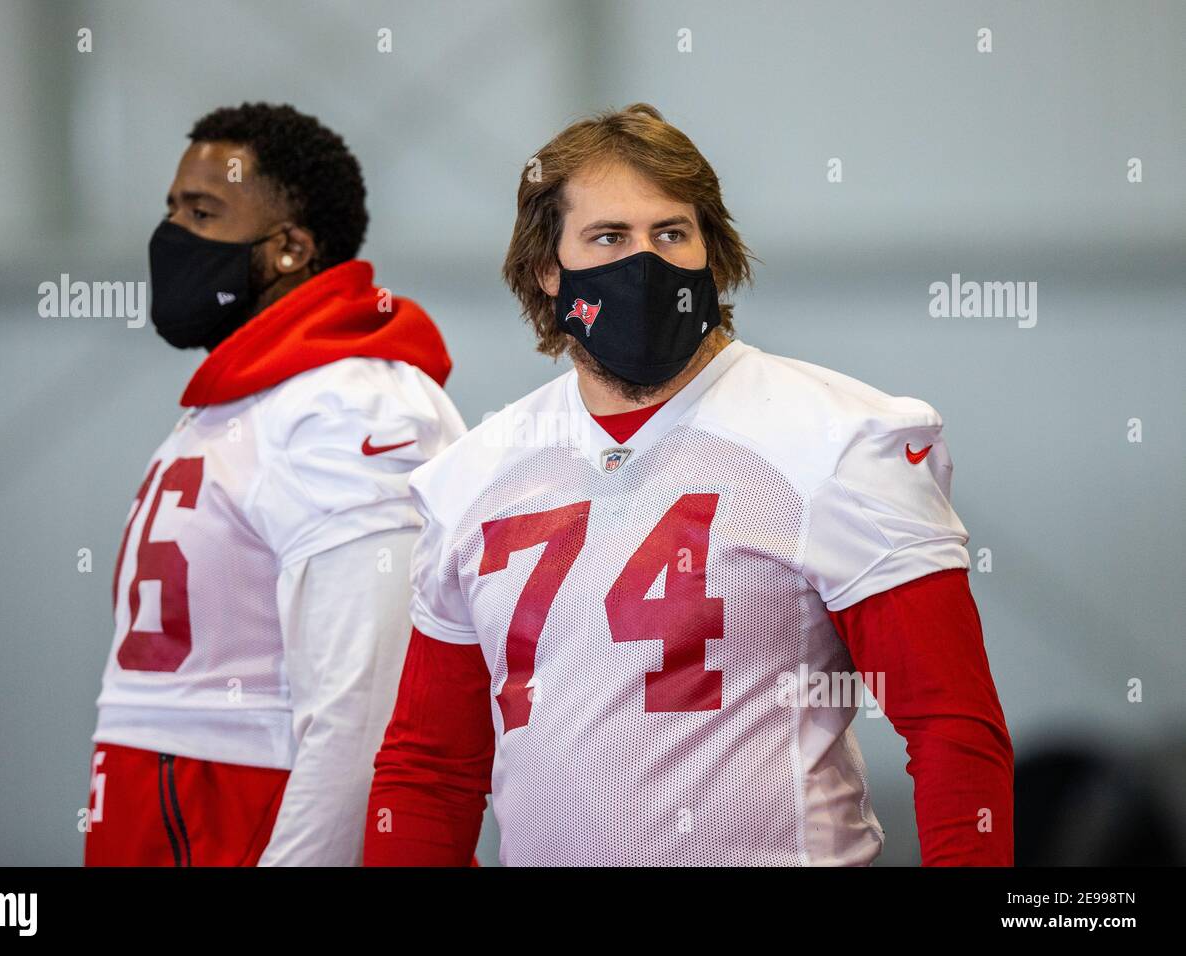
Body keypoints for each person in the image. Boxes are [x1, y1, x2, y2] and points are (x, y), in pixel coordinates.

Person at [364, 103, 1013, 866]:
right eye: (609, 237)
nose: (646, 263)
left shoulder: (836, 439)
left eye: (671, 234)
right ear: (548, 270)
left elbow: (951, 726)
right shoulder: (475, 473)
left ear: (711, 252)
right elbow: (430, 767)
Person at [86, 102, 463, 866]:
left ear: (291, 247)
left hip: (241, 817)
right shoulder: (243, 398)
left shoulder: (346, 401)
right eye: (172, 209)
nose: (172, 235)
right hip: (160, 811)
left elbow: (366, 709)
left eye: (202, 212)